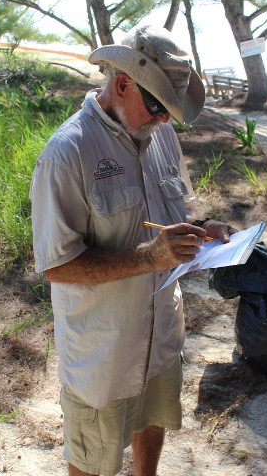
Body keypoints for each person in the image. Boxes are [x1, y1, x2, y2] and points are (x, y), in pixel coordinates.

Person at [30, 25, 235, 476]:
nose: (165, 119)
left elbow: (167, 213)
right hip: (104, 353)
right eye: (158, 104)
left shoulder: (162, 135)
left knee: (152, 420)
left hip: (161, 336)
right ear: (122, 83)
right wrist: (150, 258)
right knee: (93, 459)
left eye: (171, 109)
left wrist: (201, 230)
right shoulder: (67, 154)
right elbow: (58, 266)